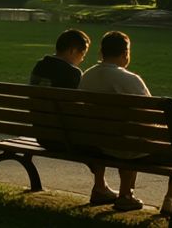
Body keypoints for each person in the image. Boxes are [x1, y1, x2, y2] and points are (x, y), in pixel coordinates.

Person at [80, 30, 172, 215]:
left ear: (101, 52)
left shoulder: (86, 77)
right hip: (127, 147)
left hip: (99, 144)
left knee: (128, 134)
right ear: (125, 54)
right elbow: (153, 117)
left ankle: (125, 194)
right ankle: (171, 199)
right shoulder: (130, 79)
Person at [29, 30, 118, 207]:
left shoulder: (39, 65)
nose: (83, 59)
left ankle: (102, 186)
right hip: (65, 138)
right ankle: (100, 187)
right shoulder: (72, 73)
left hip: (42, 134)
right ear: (72, 51)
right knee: (96, 137)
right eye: (82, 54)